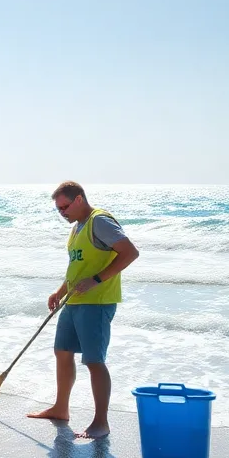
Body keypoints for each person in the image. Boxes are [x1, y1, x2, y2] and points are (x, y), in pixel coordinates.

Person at [29, 182, 139, 439]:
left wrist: (97, 280)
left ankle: (101, 422)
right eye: (58, 209)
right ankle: (60, 408)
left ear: (79, 199)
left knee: (93, 361)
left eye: (65, 207)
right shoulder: (77, 227)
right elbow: (78, 268)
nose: (62, 213)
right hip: (74, 301)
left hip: (97, 302)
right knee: (62, 352)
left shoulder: (99, 221)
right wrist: (60, 291)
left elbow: (130, 253)